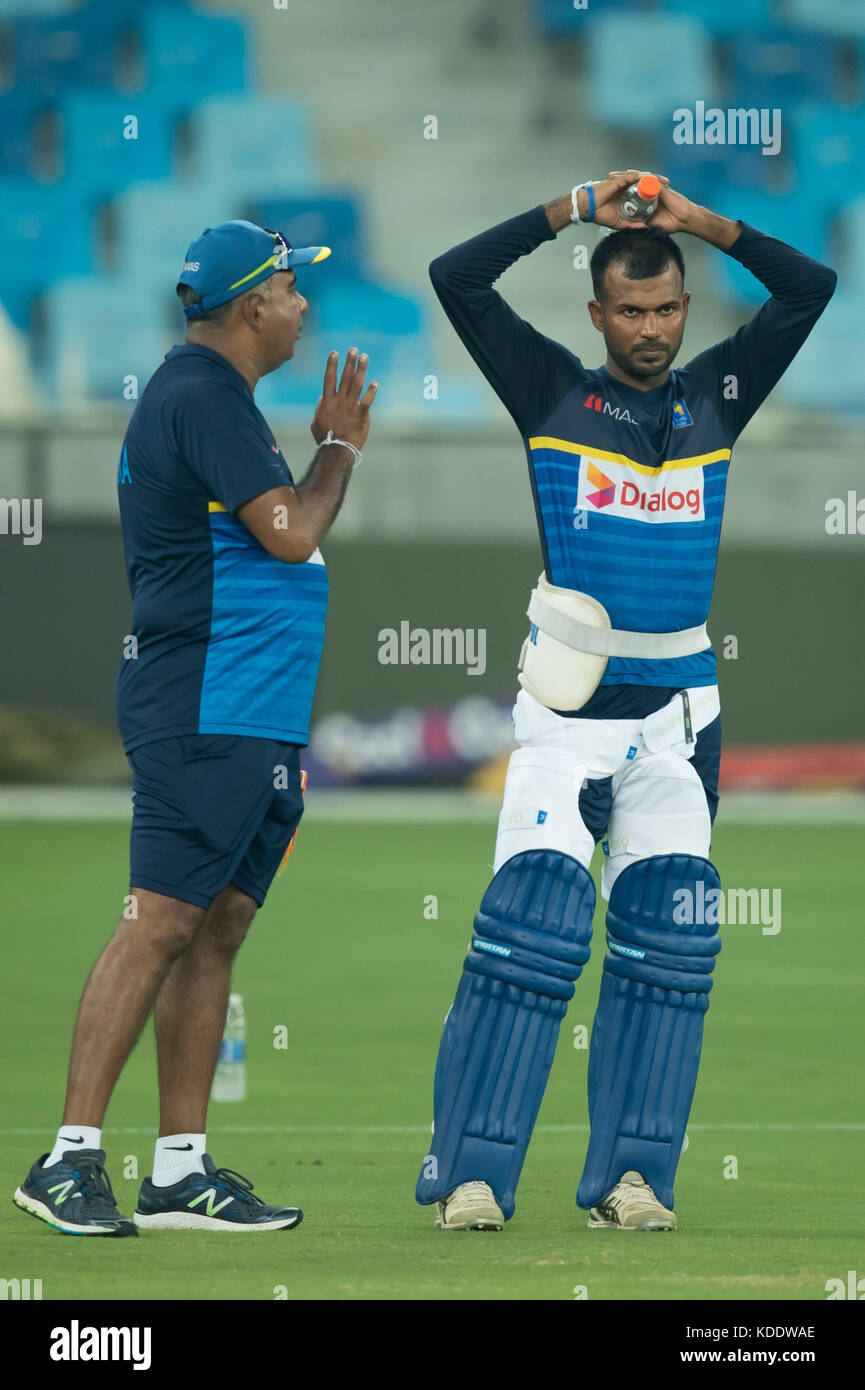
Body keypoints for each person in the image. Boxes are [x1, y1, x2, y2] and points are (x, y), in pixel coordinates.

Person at [415, 171, 836, 1232]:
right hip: (567, 715)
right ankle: (471, 1178)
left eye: (665, 309)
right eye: (630, 311)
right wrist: (569, 208)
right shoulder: (548, 388)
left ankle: (631, 1181)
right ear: (596, 313)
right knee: (532, 928)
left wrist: (700, 223)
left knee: (671, 947)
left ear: (684, 310)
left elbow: (810, 288)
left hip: (680, 717)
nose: (649, 328)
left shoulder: (720, 394)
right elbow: (453, 277)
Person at [14, 220, 376, 1236]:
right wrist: (340, 446)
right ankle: (67, 1158)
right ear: (254, 304)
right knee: (160, 921)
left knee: (214, 929)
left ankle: (180, 1170)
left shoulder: (210, 398)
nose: (305, 305)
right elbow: (293, 531)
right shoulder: (203, 397)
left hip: (247, 709)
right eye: (294, 290)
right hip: (206, 708)